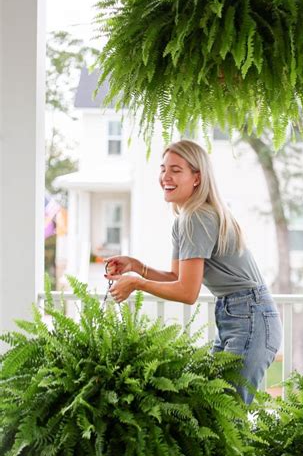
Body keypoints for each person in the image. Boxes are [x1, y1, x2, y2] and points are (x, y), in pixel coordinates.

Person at [104, 139, 282, 404]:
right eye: (163, 169)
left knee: (226, 416)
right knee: (212, 410)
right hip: (240, 316)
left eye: (176, 170)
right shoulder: (185, 220)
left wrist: (137, 283)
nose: (166, 176)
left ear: (196, 178)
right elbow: (177, 279)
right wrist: (137, 267)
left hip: (250, 319)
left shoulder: (197, 217)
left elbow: (187, 292)